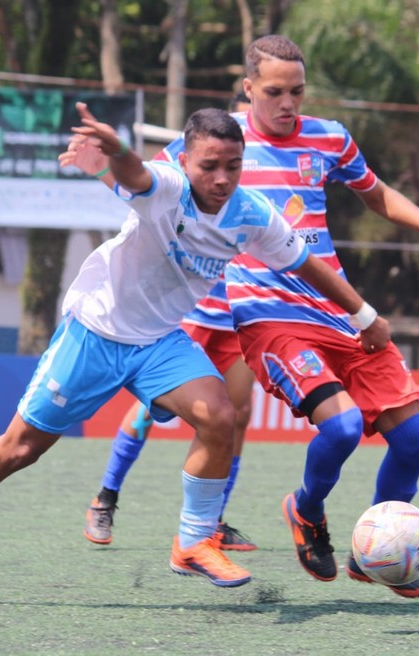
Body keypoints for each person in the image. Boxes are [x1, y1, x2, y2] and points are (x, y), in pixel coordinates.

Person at [0, 104, 392, 590]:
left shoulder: (253, 214)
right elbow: (135, 173)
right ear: (185, 161)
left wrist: (365, 316)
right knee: (19, 449)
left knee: (220, 416)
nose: (222, 177)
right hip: (95, 334)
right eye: (209, 165)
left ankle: (193, 542)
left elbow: (308, 265)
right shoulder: (167, 188)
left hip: (159, 342)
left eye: (233, 165)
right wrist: (118, 148)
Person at [199, 35, 419, 598]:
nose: (288, 103)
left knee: (413, 442)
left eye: (297, 91)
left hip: (341, 310)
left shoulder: (329, 137)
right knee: (339, 428)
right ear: (248, 90)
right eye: (274, 92)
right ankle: (307, 510)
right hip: (269, 317)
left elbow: (376, 193)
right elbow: (158, 182)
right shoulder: (224, 143)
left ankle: (371, 558)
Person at [83, 91, 257, 552]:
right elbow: (135, 185)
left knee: (236, 416)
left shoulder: (267, 160)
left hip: (243, 314)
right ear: (249, 94)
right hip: (190, 312)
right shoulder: (192, 154)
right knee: (147, 412)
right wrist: (103, 165)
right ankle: (105, 498)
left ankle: (212, 522)